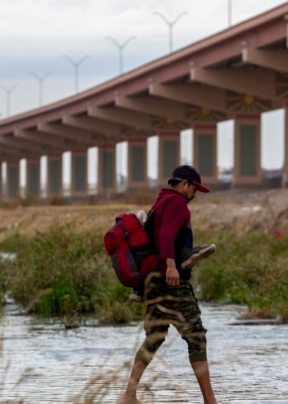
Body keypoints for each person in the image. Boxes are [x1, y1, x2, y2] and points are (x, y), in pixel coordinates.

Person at [119, 165, 218, 404]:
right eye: (194, 189)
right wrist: (172, 266)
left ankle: (129, 396)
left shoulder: (160, 201)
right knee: (196, 337)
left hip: (153, 282)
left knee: (154, 336)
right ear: (184, 184)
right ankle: (210, 401)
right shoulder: (177, 203)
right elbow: (164, 236)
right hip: (171, 281)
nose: (195, 194)